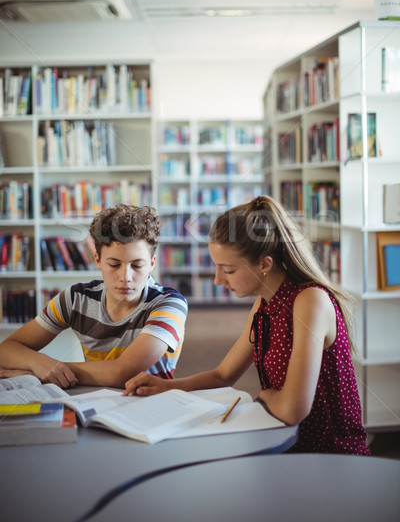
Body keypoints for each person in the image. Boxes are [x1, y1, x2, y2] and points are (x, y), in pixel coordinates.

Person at [124, 195, 370, 455]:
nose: (218, 280)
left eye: (228, 270)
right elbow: (223, 375)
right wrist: (168, 385)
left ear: (264, 264)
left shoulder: (310, 301)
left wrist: (265, 396)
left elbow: (293, 410)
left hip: (329, 455)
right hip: (286, 441)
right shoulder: (264, 304)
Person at [0, 204, 187, 389]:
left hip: (153, 410)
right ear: (97, 260)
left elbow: (122, 373)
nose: (126, 277)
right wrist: (38, 363)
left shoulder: (170, 304)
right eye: (114, 264)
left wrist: (46, 372)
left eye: (137, 265)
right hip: (94, 405)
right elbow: (6, 349)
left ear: (152, 263)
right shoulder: (75, 299)